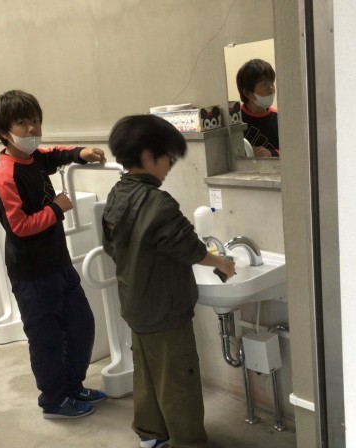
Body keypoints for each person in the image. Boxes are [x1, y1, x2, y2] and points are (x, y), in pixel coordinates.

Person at [102, 114, 236, 448]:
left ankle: (151, 435)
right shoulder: (158, 203)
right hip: (165, 310)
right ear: (148, 156)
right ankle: (187, 442)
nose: (170, 167)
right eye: (169, 158)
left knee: (147, 373)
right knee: (178, 379)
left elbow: (111, 246)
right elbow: (190, 249)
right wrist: (222, 262)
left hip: (135, 304)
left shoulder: (117, 193)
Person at [0, 90, 107, 419]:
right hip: (31, 274)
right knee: (46, 340)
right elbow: (19, 227)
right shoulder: (6, 176)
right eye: (22, 123)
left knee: (81, 326)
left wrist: (80, 153)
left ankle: (72, 386)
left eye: (36, 121)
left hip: (58, 264)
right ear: (4, 131)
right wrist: (56, 208)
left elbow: (54, 154)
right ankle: (54, 400)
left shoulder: (34, 158)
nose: (32, 129)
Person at [236, 58, 280, 157]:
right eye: (264, 84)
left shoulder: (279, 118)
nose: (271, 89)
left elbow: (293, 150)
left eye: (271, 83)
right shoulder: (235, 120)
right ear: (247, 93)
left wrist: (272, 154)